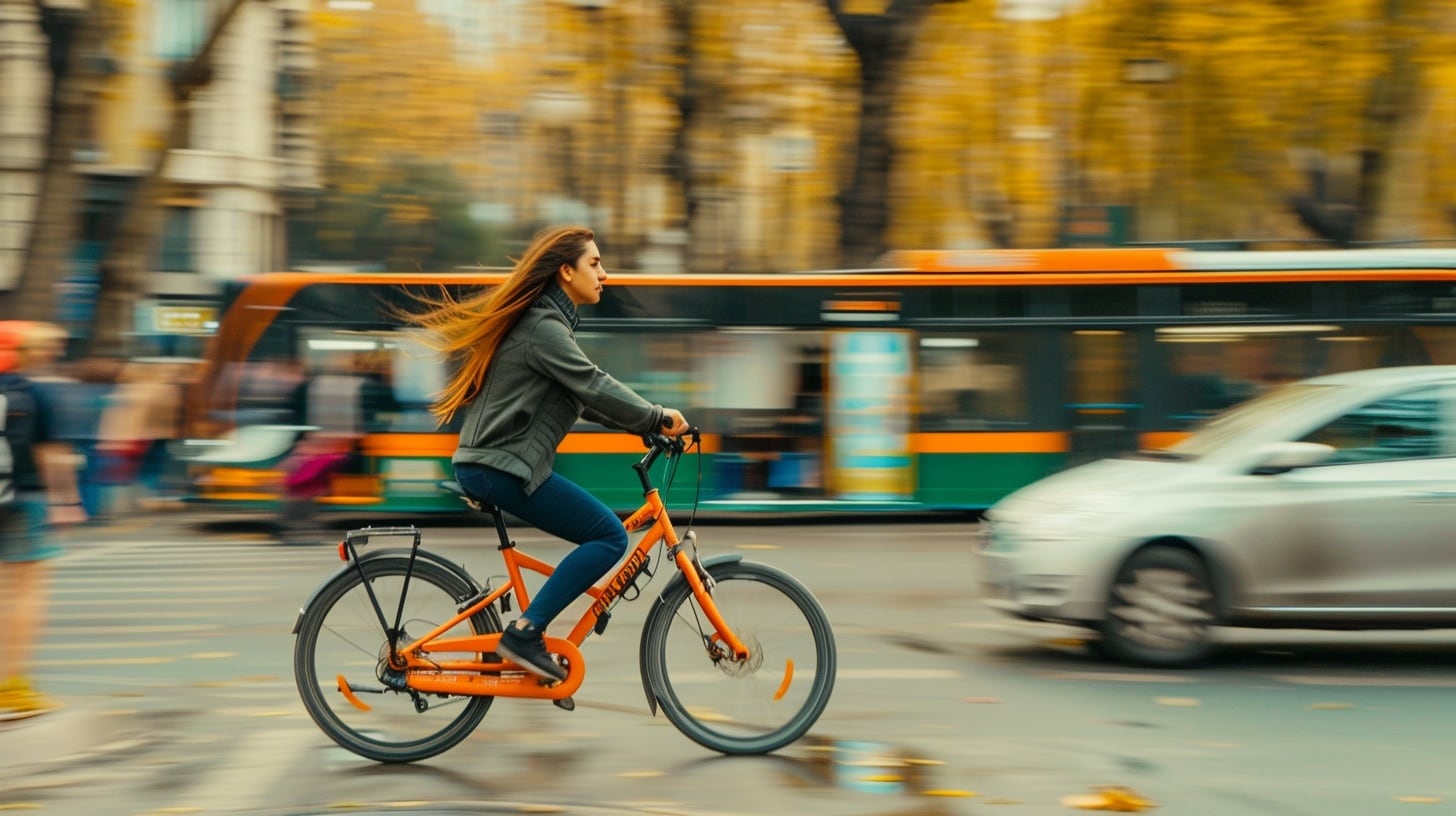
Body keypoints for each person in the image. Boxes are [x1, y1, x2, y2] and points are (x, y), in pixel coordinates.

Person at [406, 226, 689, 682]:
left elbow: (589, 400)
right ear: (566, 271)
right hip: (500, 465)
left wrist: (643, 427)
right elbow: (595, 383)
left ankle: (525, 635)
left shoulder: (547, 326)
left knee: (602, 535)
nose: (604, 274)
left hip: (497, 464)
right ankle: (524, 633)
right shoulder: (544, 327)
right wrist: (656, 417)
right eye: (594, 263)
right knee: (610, 537)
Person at [0, 321, 82, 716]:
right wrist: (66, 501)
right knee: (26, 592)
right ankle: (14, 687)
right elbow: (51, 453)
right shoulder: (34, 394)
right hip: (25, 499)